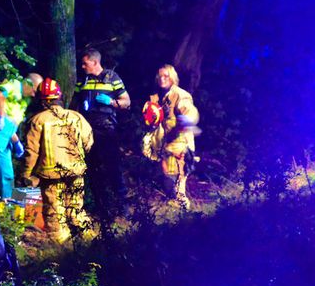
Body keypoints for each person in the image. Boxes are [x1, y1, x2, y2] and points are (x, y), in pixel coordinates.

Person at [21, 78, 94, 244]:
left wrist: (26, 174)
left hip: (51, 176)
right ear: (59, 97)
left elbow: (31, 151)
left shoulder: (38, 120)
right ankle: (90, 243)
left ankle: (60, 251)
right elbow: (88, 141)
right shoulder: (76, 117)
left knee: (55, 213)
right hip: (76, 171)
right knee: (77, 208)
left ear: (42, 100)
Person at [73, 48, 130, 219]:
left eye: (85, 63)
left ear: (95, 62)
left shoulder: (112, 78)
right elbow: (74, 105)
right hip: (87, 133)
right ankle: (102, 209)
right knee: (93, 171)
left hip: (107, 130)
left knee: (114, 169)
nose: (82, 66)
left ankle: (123, 208)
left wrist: (112, 102)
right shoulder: (82, 81)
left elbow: (126, 102)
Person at [144, 65, 200, 208]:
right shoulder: (157, 96)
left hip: (180, 139)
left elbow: (189, 111)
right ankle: (175, 205)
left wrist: (187, 120)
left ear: (172, 78)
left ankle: (183, 206)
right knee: (167, 175)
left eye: (166, 76)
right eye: (160, 76)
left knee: (180, 175)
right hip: (166, 140)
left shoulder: (180, 95)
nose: (162, 79)